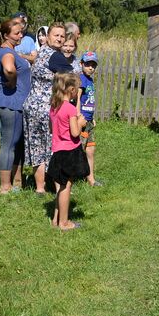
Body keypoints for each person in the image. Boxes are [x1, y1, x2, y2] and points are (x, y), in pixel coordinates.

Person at [23, 23, 67, 194]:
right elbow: (71, 79)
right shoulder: (56, 57)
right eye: (56, 35)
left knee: (36, 147)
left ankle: (40, 188)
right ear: (48, 37)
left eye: (62, 36)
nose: (59, 38)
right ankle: (59, 188)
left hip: (31, 106)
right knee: (53, 147)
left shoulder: (41, 52)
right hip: (47, 109)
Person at [0, 17, 30, 194]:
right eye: (16, 33)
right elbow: (9, 69)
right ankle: (5, 186)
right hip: (10, 103)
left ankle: (17, 181)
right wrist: (12, 82)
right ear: (6, 35)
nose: (20, 35)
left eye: (21, 32)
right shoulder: (7, 52)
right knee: (9, 144)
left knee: (16, 142)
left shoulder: (9, 50)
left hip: (15, 104)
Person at [46, 72, 89, 230]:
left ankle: (56, 220)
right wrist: (80, 122)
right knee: (66, 187)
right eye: (76, 89)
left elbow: (52, 129)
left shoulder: (54, 107)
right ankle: (64, 223)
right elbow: (75, 133)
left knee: (60, 185)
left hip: (57, 150)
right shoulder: (70, 109)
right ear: (71, 89)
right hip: (69, 151)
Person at [78, 50, 101, 187]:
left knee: (90, 149)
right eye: (87, 64)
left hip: (89, 120)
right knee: (78, 150)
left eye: (93, 65)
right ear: (81, 64)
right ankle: (70, 178)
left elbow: (89, 100)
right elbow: (78, 99)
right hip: (81, 121)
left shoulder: (90, 80)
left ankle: (91, 179)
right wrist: (78, 115)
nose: (90, 67)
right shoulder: (81, 79)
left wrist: (92, 117)